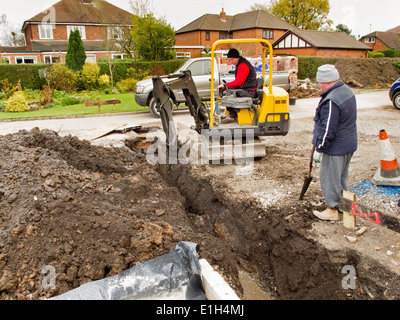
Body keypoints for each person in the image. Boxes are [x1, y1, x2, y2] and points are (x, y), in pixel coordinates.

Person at [312, 64, 358, 221]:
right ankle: (344, 207)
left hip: (336, 147)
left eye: (319, 82)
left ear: (325, 81)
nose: (318, 85)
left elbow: (328, 128)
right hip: (348, 144)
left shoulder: (332, 100)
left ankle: (333, 209)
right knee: (341, 177)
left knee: (330, 178)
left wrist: (320, 146)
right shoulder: (347, 91)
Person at [217, 48, 257, 123]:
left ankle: (232, 116)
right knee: (230, 92)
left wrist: (225, 85)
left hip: (249, 91)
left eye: (232, 60)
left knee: (229, 95)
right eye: (229, 60)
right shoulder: (241, 63)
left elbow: (238, 82)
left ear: (237, 58)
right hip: (247, 88)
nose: (231, 62)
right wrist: (227, 86)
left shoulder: (243, 65)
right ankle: (232, 114)